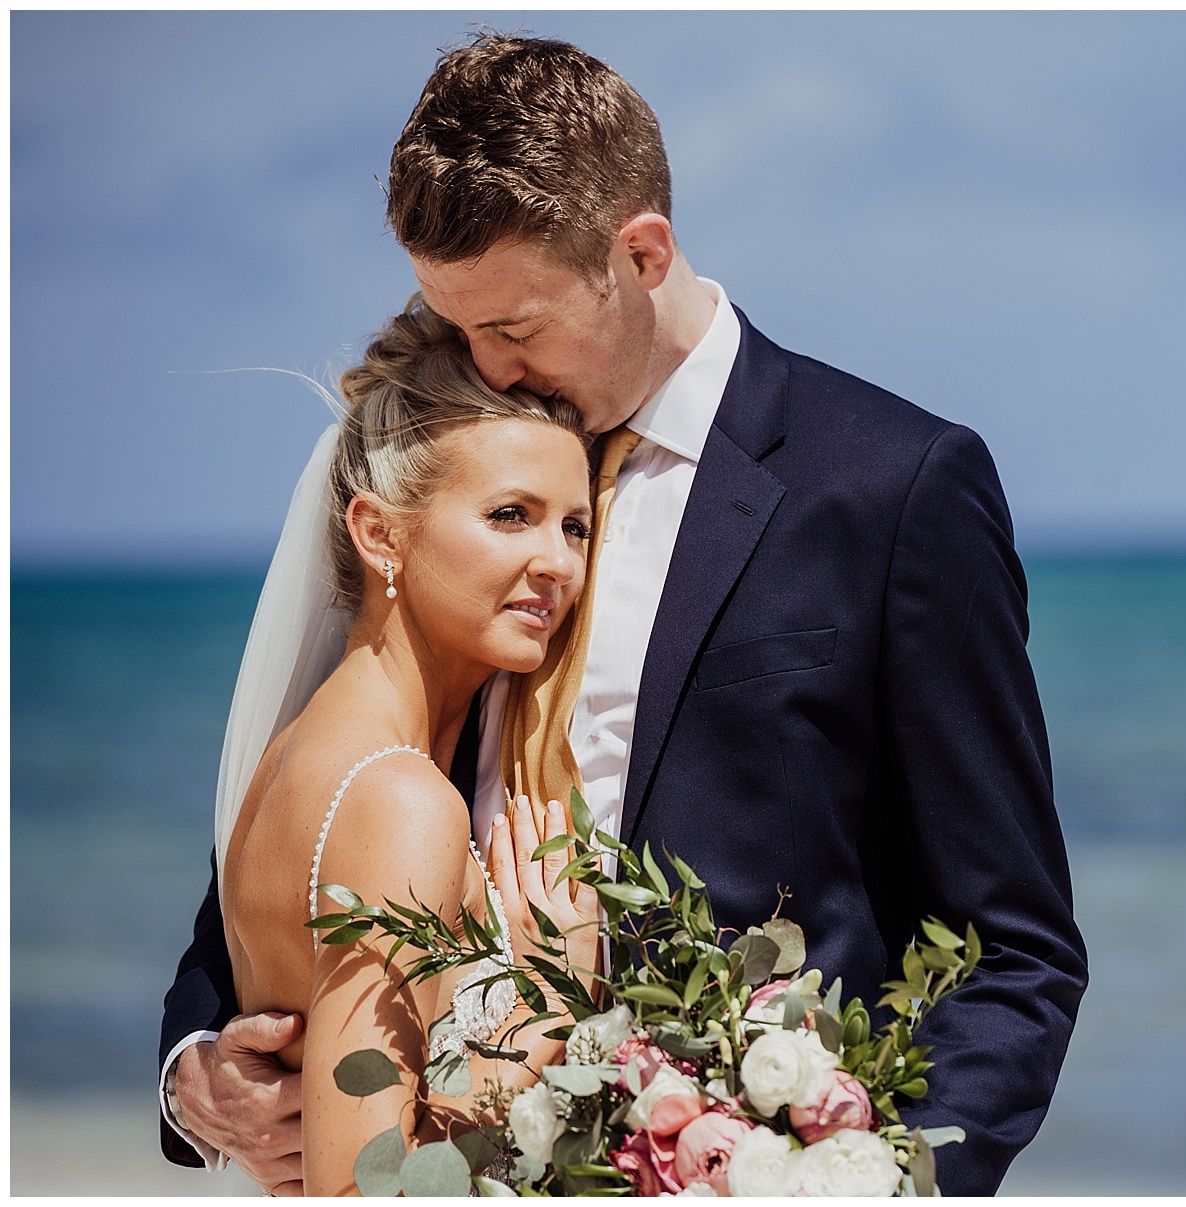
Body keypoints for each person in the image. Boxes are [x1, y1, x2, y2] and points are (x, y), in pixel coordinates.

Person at [161, 32, 1087, 1196]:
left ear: (639, 253)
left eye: (516, 327)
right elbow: (326, 802)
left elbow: (1017, 948)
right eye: (458, 328)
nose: (488, 369)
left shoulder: (894, 487)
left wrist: (876, 1180)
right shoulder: (457, 484)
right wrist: (198, 1061)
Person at [212, 300, 604, 1193]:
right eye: (512, 514)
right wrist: (551, 1002)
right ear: (379, 532)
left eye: (574, 525)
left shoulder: (297, 753)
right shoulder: (398, 800)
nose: (559, 563)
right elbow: (362, 1184)